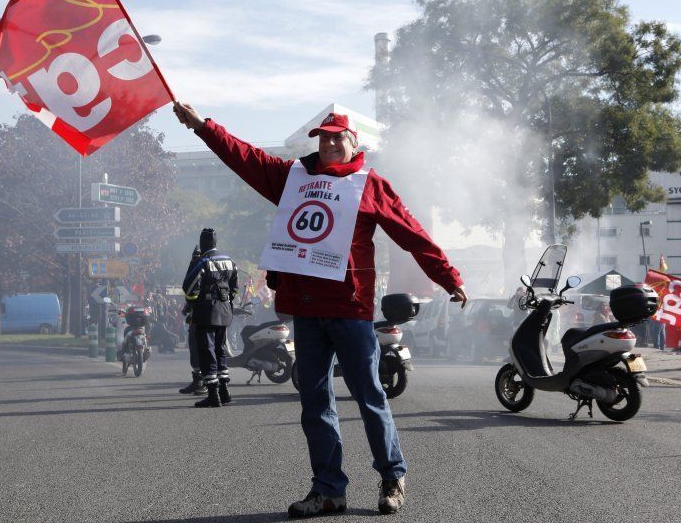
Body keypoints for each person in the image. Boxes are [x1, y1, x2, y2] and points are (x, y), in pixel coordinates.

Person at [173, 103, 468, 517]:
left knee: (369, 397)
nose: (329, 143)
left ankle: (392, 476)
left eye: (337, 137)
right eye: (323, 137)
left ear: (353, 143)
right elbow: (244, 156)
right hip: (307, 310)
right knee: (315, 403)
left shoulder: (370, 185)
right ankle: (329, 489)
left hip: (350, 309)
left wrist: (448, 277)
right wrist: (203, 127)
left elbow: (410, 232)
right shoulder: (292, 178)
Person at [183, 228, 239, 408]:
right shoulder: (229, 261)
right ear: (216, 243)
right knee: (220, 349)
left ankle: (213, 395)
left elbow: (190, 288)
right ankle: (225, 391)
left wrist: (193, 304)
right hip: (225, 311)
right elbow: (235, 288)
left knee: (207, 351)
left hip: (206, 312)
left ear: (202, 243)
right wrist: (226, 300)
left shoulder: (203, 261)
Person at [178, 247, 208, 396]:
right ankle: (199, 381)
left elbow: (191, 291)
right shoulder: (218, 264)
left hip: (200, 314)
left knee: (197, 348)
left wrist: (188, 307)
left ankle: (202, 383)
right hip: (215, 314)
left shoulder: (200, 266)